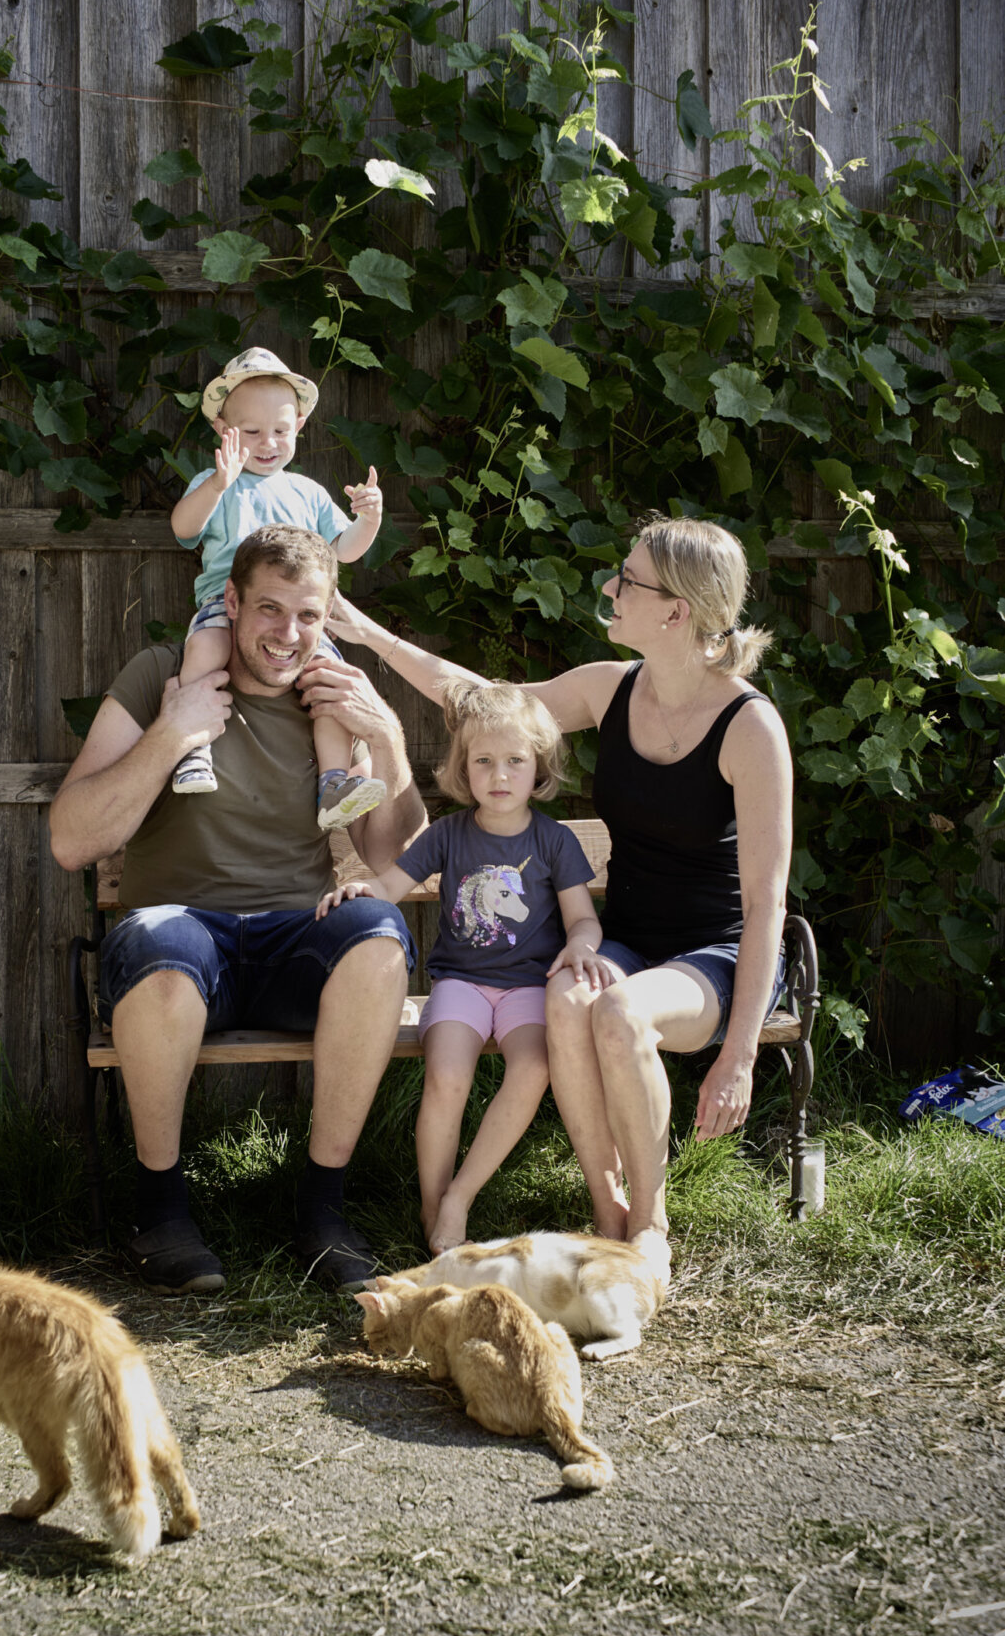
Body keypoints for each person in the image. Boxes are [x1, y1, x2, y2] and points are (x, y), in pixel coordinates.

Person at [328, 514, 793, 1249]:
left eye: (627, 580)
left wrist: (737, 1058)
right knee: (568, 996)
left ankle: (649, 1227)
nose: (609, 587)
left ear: (675, 609)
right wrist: (367, 636)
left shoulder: (748, 726)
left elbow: (768, 903)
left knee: (614, 1013)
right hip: (625, 945)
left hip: (718, 957)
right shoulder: (612, 689)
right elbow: (487, 705)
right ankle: (606, 1214)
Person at [49, 524, 426, 1296]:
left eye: (308, 616)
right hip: (183, 944)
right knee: (157, 941)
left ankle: (323, 1211)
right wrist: (172, 731)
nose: (287, 635)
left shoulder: (330, 697)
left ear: (326, 618)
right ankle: (161, 1213)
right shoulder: (162, 674)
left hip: (296, 942)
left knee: (379, 937)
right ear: (231, 602)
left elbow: (390, 856)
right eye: (269, 610)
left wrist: (384, 736)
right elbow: (70, 839)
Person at [316, 681, 614, 1254]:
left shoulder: (553, 842)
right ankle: (434, 1211)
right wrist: (358, 893)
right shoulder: (448, 836)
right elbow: (389, 886)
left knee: (532, 1069)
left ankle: (461, 1195)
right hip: (460, 986)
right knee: (447, 1076)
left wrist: (581, 945)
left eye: (514, 761)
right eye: (483, 761)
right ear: (463, 768)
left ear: (539, 768)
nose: (499, 775)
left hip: (531, 986)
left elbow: (582, 920)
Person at [168, 346, 387, 829]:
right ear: (224, 432)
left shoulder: (307, 492)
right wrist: (217, 486)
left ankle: (333, 782)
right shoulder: (216, 482)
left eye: (281, 431)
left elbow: (344, 549)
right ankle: (192, 750)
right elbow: (184, 530)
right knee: (203, 649)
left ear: (300, 428)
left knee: (331, 681)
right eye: (251, 432)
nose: (268, 442)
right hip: (225, 607)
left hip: (301, 618)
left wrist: (367, 520)